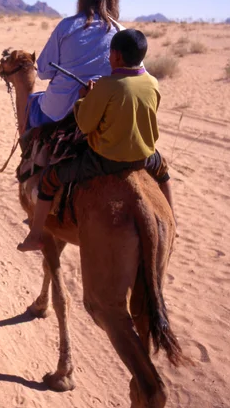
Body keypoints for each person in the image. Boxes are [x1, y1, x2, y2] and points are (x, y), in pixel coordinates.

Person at [18, 29, 176, 251]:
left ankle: (35, 235)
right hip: (145, 155)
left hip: (105, 160)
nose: (109, 59)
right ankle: (172, 223)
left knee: (50, 180)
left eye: (110, 55)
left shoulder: (106, 86)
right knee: (164, 174)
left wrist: (85, 98)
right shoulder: (152, 82)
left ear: (117, 56)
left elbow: (85, 124)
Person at [27, 0, 121, 129]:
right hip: (104, 112)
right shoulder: (122, 33)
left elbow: (43, 72)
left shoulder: (67, 26)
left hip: (58, 111)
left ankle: (28, 153)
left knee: (31, 104)